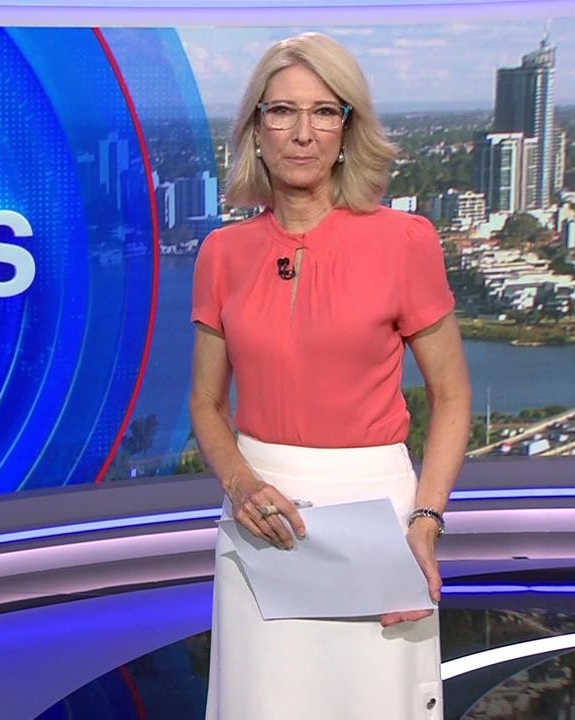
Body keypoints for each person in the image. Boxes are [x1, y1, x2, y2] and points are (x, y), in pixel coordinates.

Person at [188, 32, 471, 719]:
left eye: (323, 111)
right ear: (256, 129)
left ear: (347, 128)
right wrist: (241, 485)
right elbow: (205, 403)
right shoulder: (222, 253)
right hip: (260, 517)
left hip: (379, 521)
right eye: (282, 111)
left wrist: (425, 521)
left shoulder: (405, 241)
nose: (302, 133)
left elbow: (453, 395)